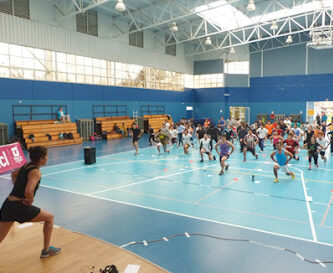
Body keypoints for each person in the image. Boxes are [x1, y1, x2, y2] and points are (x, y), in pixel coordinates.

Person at [0, 146, 61, 258]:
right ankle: (46, 250)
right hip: (19, 207)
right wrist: (29, 200)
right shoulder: (36, 172)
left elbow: (13, 174)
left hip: (8, 204)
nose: (47, 158)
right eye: (46, 156)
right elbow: (29, 190)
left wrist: (18, 190)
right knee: (50, 218)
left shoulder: (26, 165)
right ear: (41, 159)